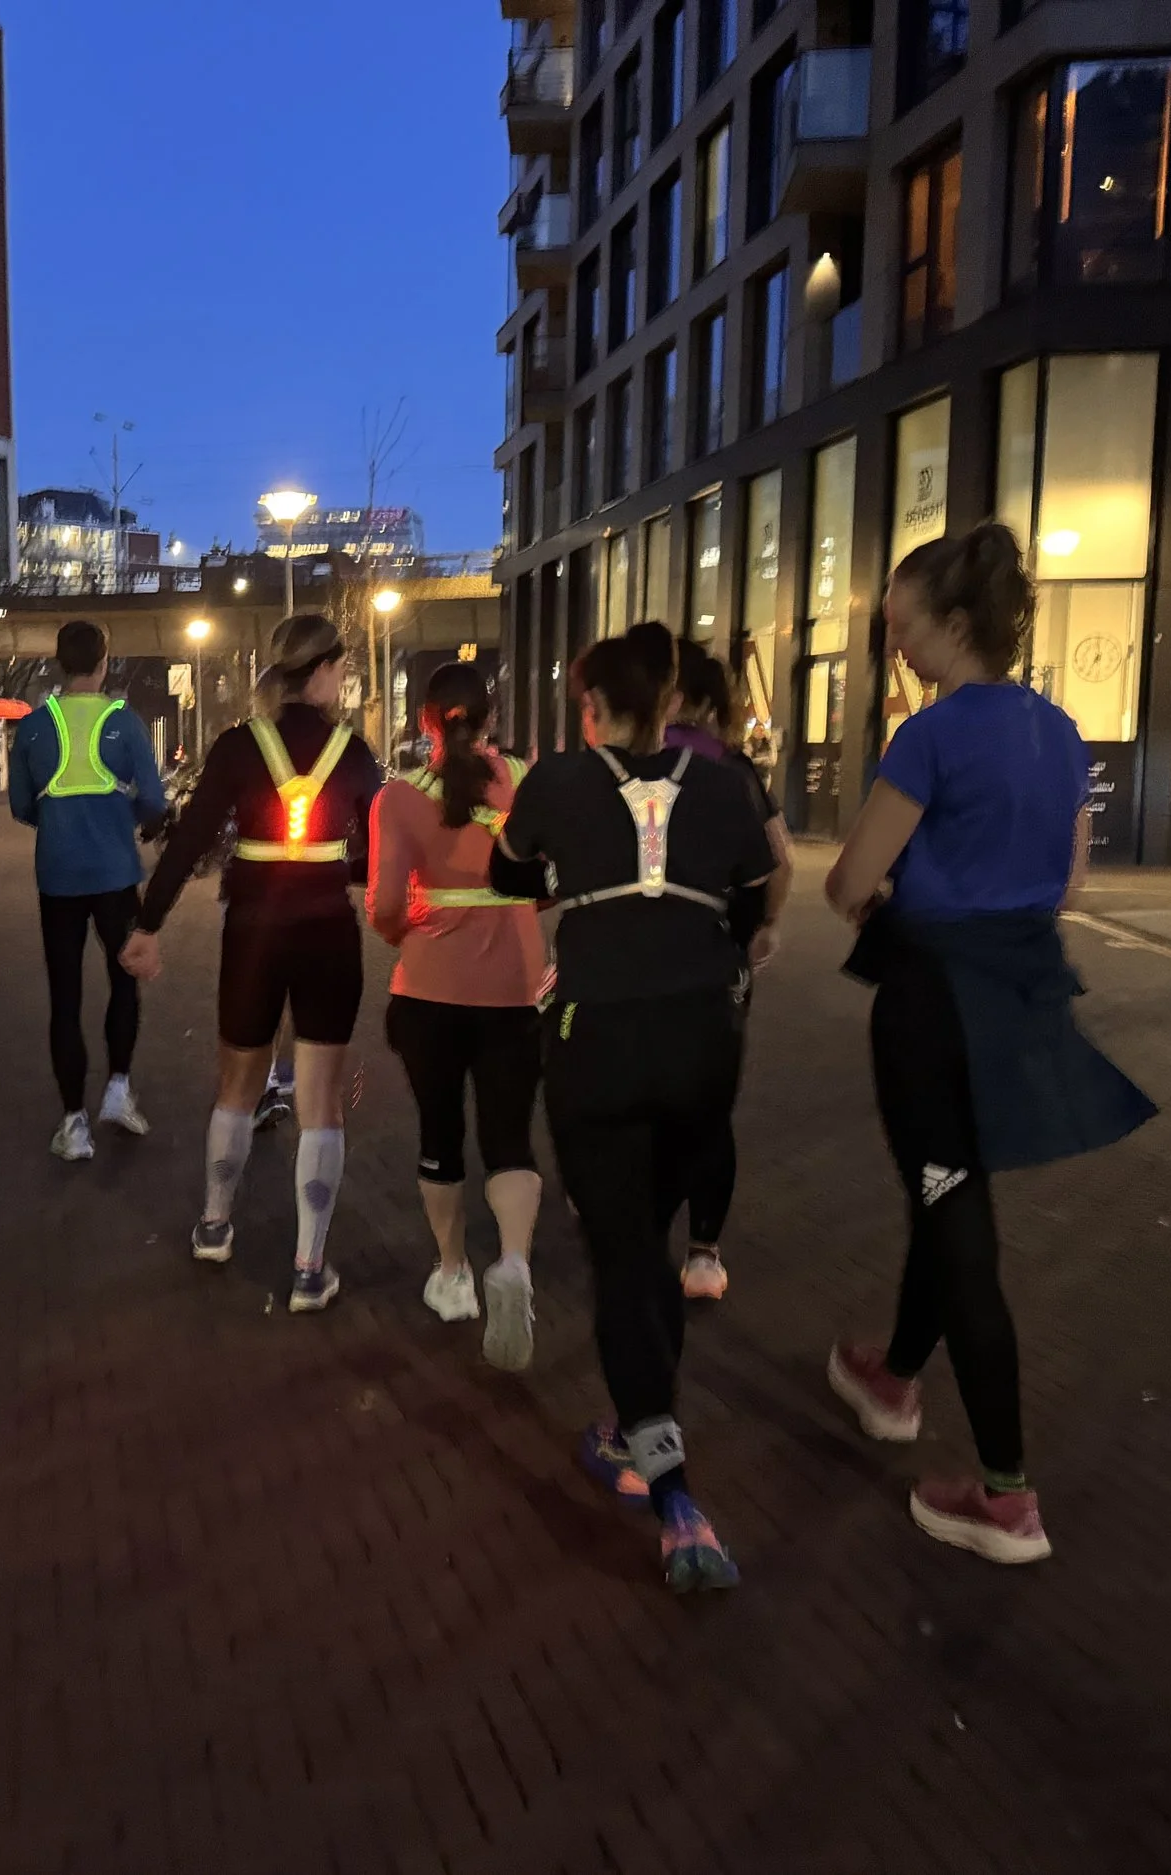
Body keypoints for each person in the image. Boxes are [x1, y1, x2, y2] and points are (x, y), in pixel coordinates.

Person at [823, 525, 1155, 1566]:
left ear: (955, 624)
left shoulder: (930, 736)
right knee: (950, 1193)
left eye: (903, 625)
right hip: (1020, 995)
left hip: (934, 1006)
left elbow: (847, 881)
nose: (897, 644)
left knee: (957, 1219)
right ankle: (890, 1377)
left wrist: (891, 887)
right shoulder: (1061, 732)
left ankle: (1007, 1495)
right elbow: (1068, 885)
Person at [489, 621, 775, 1593]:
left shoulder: (558, 782)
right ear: (671, 703)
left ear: (591, 706)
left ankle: (674, 1496)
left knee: (620, 1257)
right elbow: (753, 897)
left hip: (597, 1042)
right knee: (649, 1238)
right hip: (702, 1043)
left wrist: (575, 876)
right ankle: (634, 1427)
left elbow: (506, 874)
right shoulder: (725, 786)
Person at [120, 615, 383, 1313]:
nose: (343, 680)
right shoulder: (354, 754)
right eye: (341, 668)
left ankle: (214, 1224)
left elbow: (189, 841)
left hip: (253, 931)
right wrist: (340, 864)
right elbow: (377, 855)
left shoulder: (240, 745)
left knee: (237, 1082)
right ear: (321, 671)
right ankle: (309, 1267)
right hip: (327, 933)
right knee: (321, 1097)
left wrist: (148, 924)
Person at [369, 662, 545, 1371]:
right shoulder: (527, 781)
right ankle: (515, 1263)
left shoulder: (399, 797)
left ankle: (453, 1275)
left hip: (429, 990)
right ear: (491, 718)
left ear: (425, 721)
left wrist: (406, 932)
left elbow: (385, 904)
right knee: (510, 1137)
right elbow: (550, 877)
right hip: (516, 988)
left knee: (440, 1132)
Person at [6, 620, 169, 1160]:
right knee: (124, 981)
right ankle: (118, 1090)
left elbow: (21, 805)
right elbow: (154, 801)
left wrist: (59, 821)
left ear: (59, 664)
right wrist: (124, 817)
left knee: (65, 995)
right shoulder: (124, 721)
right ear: (105, 663)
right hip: (117, 875)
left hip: (57, 877)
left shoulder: (34, 727)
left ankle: (73, 1123)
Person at [665, 640, 794, 1303]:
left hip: (631, 958)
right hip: (716, 961)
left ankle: (623, 1216)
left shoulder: (623, 763)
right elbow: (779, 860)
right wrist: (764, 925)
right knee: (709, 1106)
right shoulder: (734, 769)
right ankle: (703, 1252)